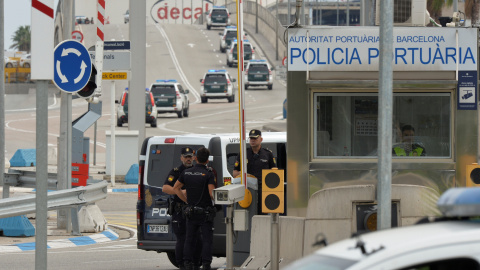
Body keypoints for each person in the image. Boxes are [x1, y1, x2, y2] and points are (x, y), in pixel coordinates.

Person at [173, 147, 216, 270]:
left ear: (195, 158)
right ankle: (206, 264)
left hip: (191, 211)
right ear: (207, 160)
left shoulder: (186, 172)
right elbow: (212, 193)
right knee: (207, 240)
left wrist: (186, 201)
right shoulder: (208, 174)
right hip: (205, 212)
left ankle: (188, 264)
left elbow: (176, 188)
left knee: (189, 239)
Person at [162, 147, 200, 270]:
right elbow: (165, 188)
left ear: (194, 158)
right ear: (181, 158)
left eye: (190, 157)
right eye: (186, 157)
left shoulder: (197, 170)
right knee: (182, 239)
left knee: (196, 239)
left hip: (194, 210)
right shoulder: (176, 171)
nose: (188, 159)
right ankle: (181, 264)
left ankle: (195, 263)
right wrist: (181, 191)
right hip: (180, 211)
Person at [232, 129, 276, 214]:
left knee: (262, 215)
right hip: (247, 191)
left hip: (262, 190)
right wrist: (244, 174)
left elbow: (274, 173)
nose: (252, 140)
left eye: (255, 138)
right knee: (248, 215)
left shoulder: (268, 154)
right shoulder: (243, 154)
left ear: (261, 139)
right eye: (251, 138)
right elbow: (234, 173)